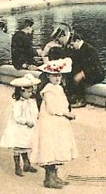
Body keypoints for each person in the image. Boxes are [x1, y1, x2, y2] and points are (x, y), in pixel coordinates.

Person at [30, 57, 78, 189]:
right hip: (50, 122)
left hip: (58, 123)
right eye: (54, 75)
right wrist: (65, 113)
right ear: (48, 76)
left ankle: (54, 177)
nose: (57, 78)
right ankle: (49, 179)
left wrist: (66, 111)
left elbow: (63, 103)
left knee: (58, 148)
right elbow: (52, 108)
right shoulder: (48, 89)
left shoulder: (58, 88)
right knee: (50, 149)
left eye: (59, 75)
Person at [0, 73, 41, 177]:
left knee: (26, 145)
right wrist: (26, 121)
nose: (30, 94)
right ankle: (17, 166)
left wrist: (36, 118)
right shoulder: (17, 103)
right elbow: (17, 117)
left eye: (31, 91)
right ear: (21, 91)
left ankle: (27, 164)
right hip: (19, 127)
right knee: (18, 146)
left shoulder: (31, 101)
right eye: (28, 92)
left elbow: (35, 111)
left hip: (28, 127)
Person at [67, 33, 105, 108]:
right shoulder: (79, 49)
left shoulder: (89, 49)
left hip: (96, 74)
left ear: (77, 41)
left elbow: (96, 67)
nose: (72, 47)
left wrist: (83, 73)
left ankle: (81, 100)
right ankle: (73, 97)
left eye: (72, 44)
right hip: (87, 72)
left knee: (78, 79)